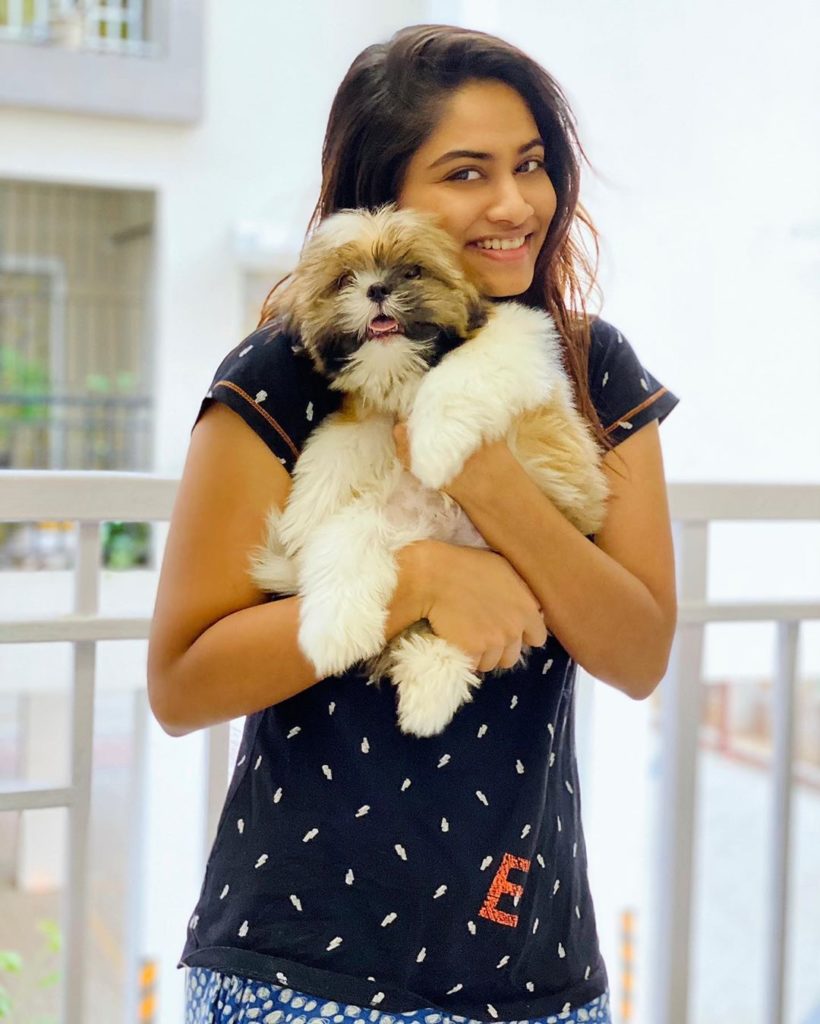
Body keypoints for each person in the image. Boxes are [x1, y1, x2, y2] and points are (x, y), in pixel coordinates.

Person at [147, 23, 679, 1024]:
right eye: (466, 173)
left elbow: (639, 649)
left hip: (536, 971)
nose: (515, 203)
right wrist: (419, 579)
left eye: (529, 165)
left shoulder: (591, 368)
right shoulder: (280, 375)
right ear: (380, 200)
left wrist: (488, 482)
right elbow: (182, 680)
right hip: (303, 969)